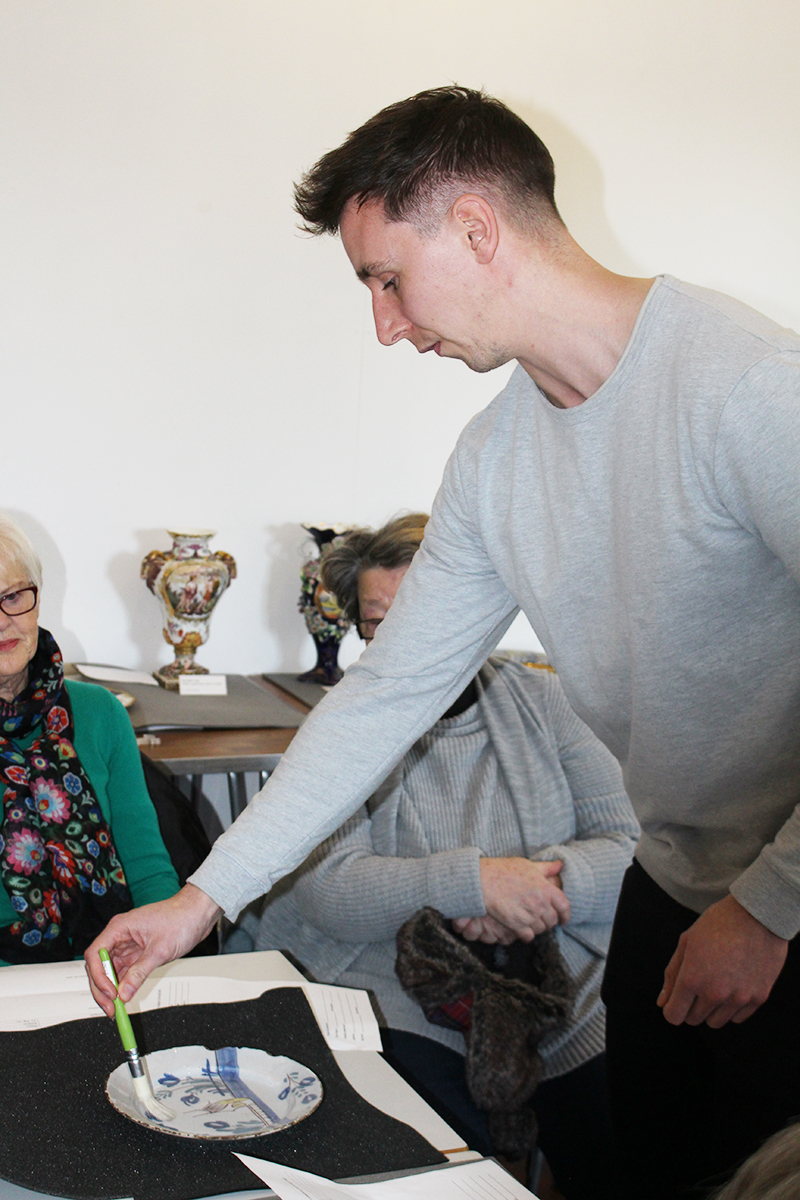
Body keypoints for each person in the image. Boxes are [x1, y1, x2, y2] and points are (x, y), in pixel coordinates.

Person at [85, 87, 800, 1197]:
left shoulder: (747, 386)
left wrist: (765, 909)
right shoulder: (493, 460)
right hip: (676, 881)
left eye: (385, 279)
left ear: (475, 227)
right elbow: (380, 699)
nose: (385, 323)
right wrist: (198, 902)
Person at [235, 514, 636, 1198]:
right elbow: (328, 888)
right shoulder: (337, 728)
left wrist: (528, 891)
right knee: (438, 1173)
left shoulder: (546, 701)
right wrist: (475, 885)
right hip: (401, 992)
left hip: (559, 982)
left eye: (425, 611)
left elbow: (627, 849)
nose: (404, 641)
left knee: (633, 1157)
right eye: (378, 622)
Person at [0, 514, 179, 965]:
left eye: (12, 597)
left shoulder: (99, 713)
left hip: (105, 963)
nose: (3, 622)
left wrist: (152, 958)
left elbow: (148, 870)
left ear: (37, 598)